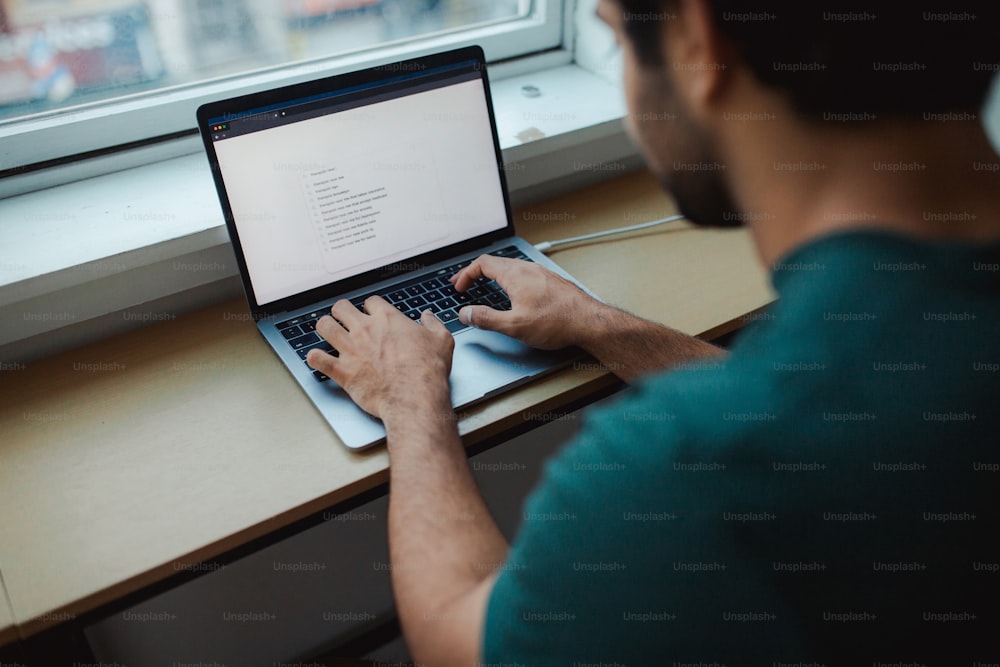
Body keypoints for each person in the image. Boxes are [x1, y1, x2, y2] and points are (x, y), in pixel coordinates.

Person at [307, 0, 1000, 663]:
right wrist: (594, 320)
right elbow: (817, 413)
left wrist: (410, 396)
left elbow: (460, 645)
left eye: (614, 37)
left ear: (699, 41)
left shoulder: (683, 463)